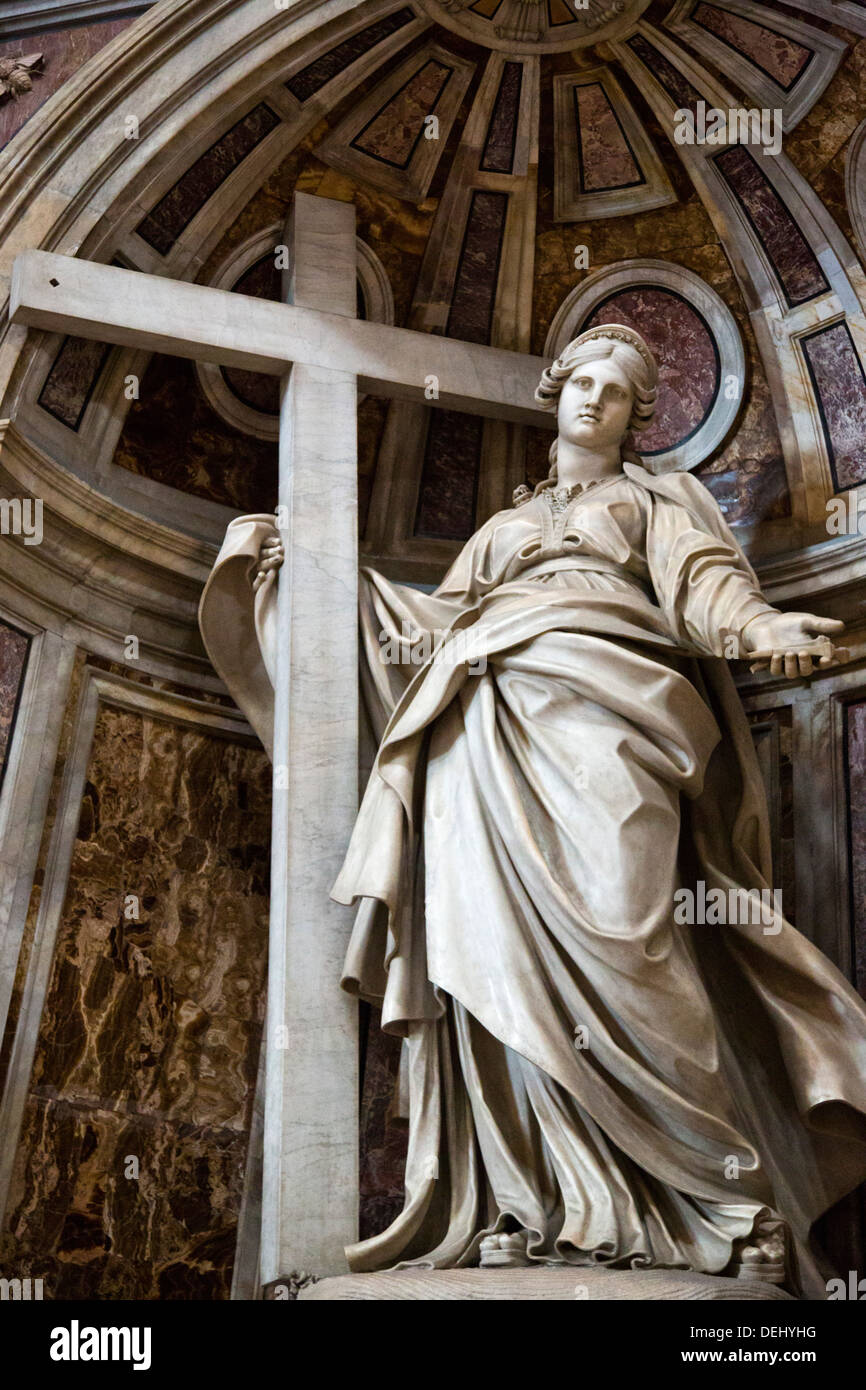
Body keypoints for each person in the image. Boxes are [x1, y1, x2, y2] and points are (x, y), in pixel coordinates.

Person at [201, 325, 866, 1296]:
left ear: (636, 416)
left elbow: (704, 586)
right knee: (491, 951)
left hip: (611, 716)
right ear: (555, 394)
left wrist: (761, 626)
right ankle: (531, 1202)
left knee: (626, 930)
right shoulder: (498, 531)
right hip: (480, 730)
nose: (593, 398)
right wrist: (315, 585)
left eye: (615, 389)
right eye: (581, 381)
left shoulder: (656, 501)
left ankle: (710, 1196)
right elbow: (429, 631)